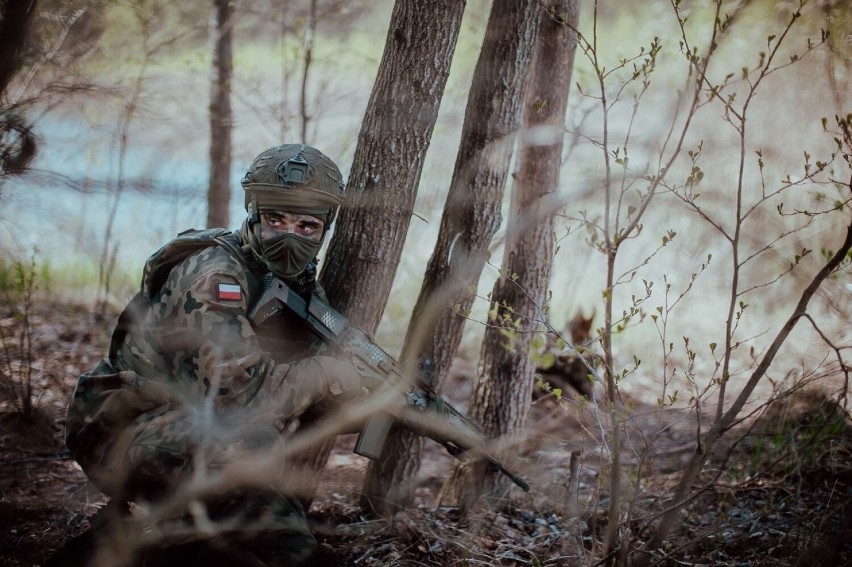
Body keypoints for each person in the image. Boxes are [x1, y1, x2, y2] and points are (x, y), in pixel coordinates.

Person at [60, 144, 365, 566]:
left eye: (307, 226)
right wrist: (326, 373)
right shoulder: (215, 275)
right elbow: (235, 395)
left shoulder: (297, 284)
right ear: (253, 212)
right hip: (121, 429)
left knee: (278, 531)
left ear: (324, 229)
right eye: (276, 220)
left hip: (192, 429)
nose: (290, 236)